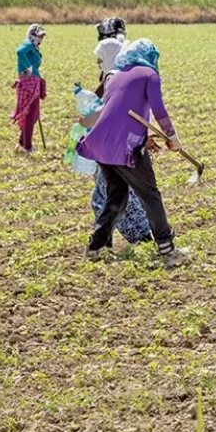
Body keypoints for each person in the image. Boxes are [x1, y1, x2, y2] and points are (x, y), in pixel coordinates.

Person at [76, 39, 189, 268]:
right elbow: (158, 109)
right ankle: (168, 250)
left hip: (101, 144)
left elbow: (114, 114)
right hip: (125, 148)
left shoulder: (117, 76)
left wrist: (147, 136)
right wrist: (172, 137)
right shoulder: (150, 75)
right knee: (150, 196)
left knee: (117, 195)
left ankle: (96, 245)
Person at [76, 37, 154, 246]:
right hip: (118, 148)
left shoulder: (118, 78)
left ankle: (137, 238)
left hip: (121, 150)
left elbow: (111, 112)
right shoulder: (120, 76)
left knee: (114, 198)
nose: (98, 64)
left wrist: (87, 119)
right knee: (112, 197)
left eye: (101, 59)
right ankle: (109, 240)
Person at [12, 24, 47, 153]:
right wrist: (29, 68)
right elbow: (19, 52)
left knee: (32, 114)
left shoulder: (33, 47)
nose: (40, 39)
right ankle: (27, 146)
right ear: (32, 35)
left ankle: (22, 142)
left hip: (34, 82)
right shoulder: (27, 44)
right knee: (30, 114)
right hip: (29, 83)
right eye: (38, 36)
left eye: (42, 36)